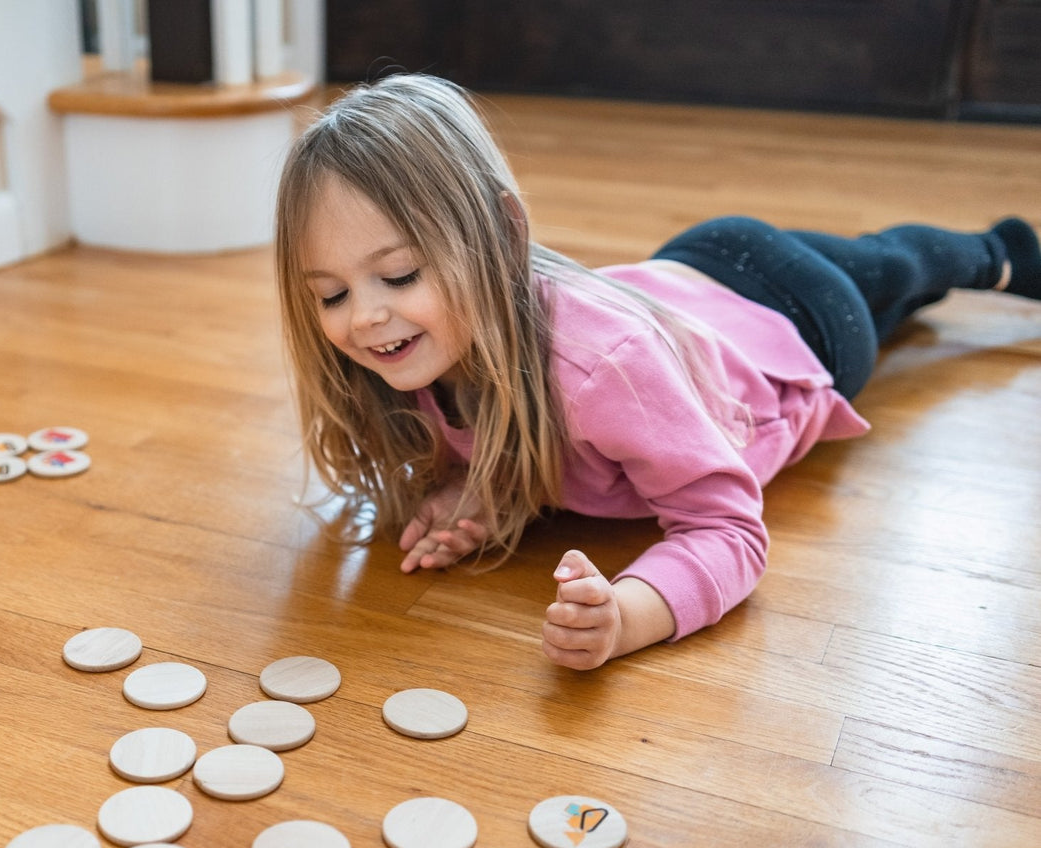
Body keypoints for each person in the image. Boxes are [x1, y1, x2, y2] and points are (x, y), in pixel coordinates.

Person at [273, 73, 1041, 670]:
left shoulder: (602, 372)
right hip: (684, 280)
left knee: (893, 272)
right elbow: (499, 437)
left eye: (399, 276)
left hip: (801, 322)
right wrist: (473, 493)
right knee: (895, 283)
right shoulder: (402, 352)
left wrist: (630, 614)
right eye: (332, 294)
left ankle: (997, 255)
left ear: (501, 235)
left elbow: (728, 529)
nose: (363, 316)